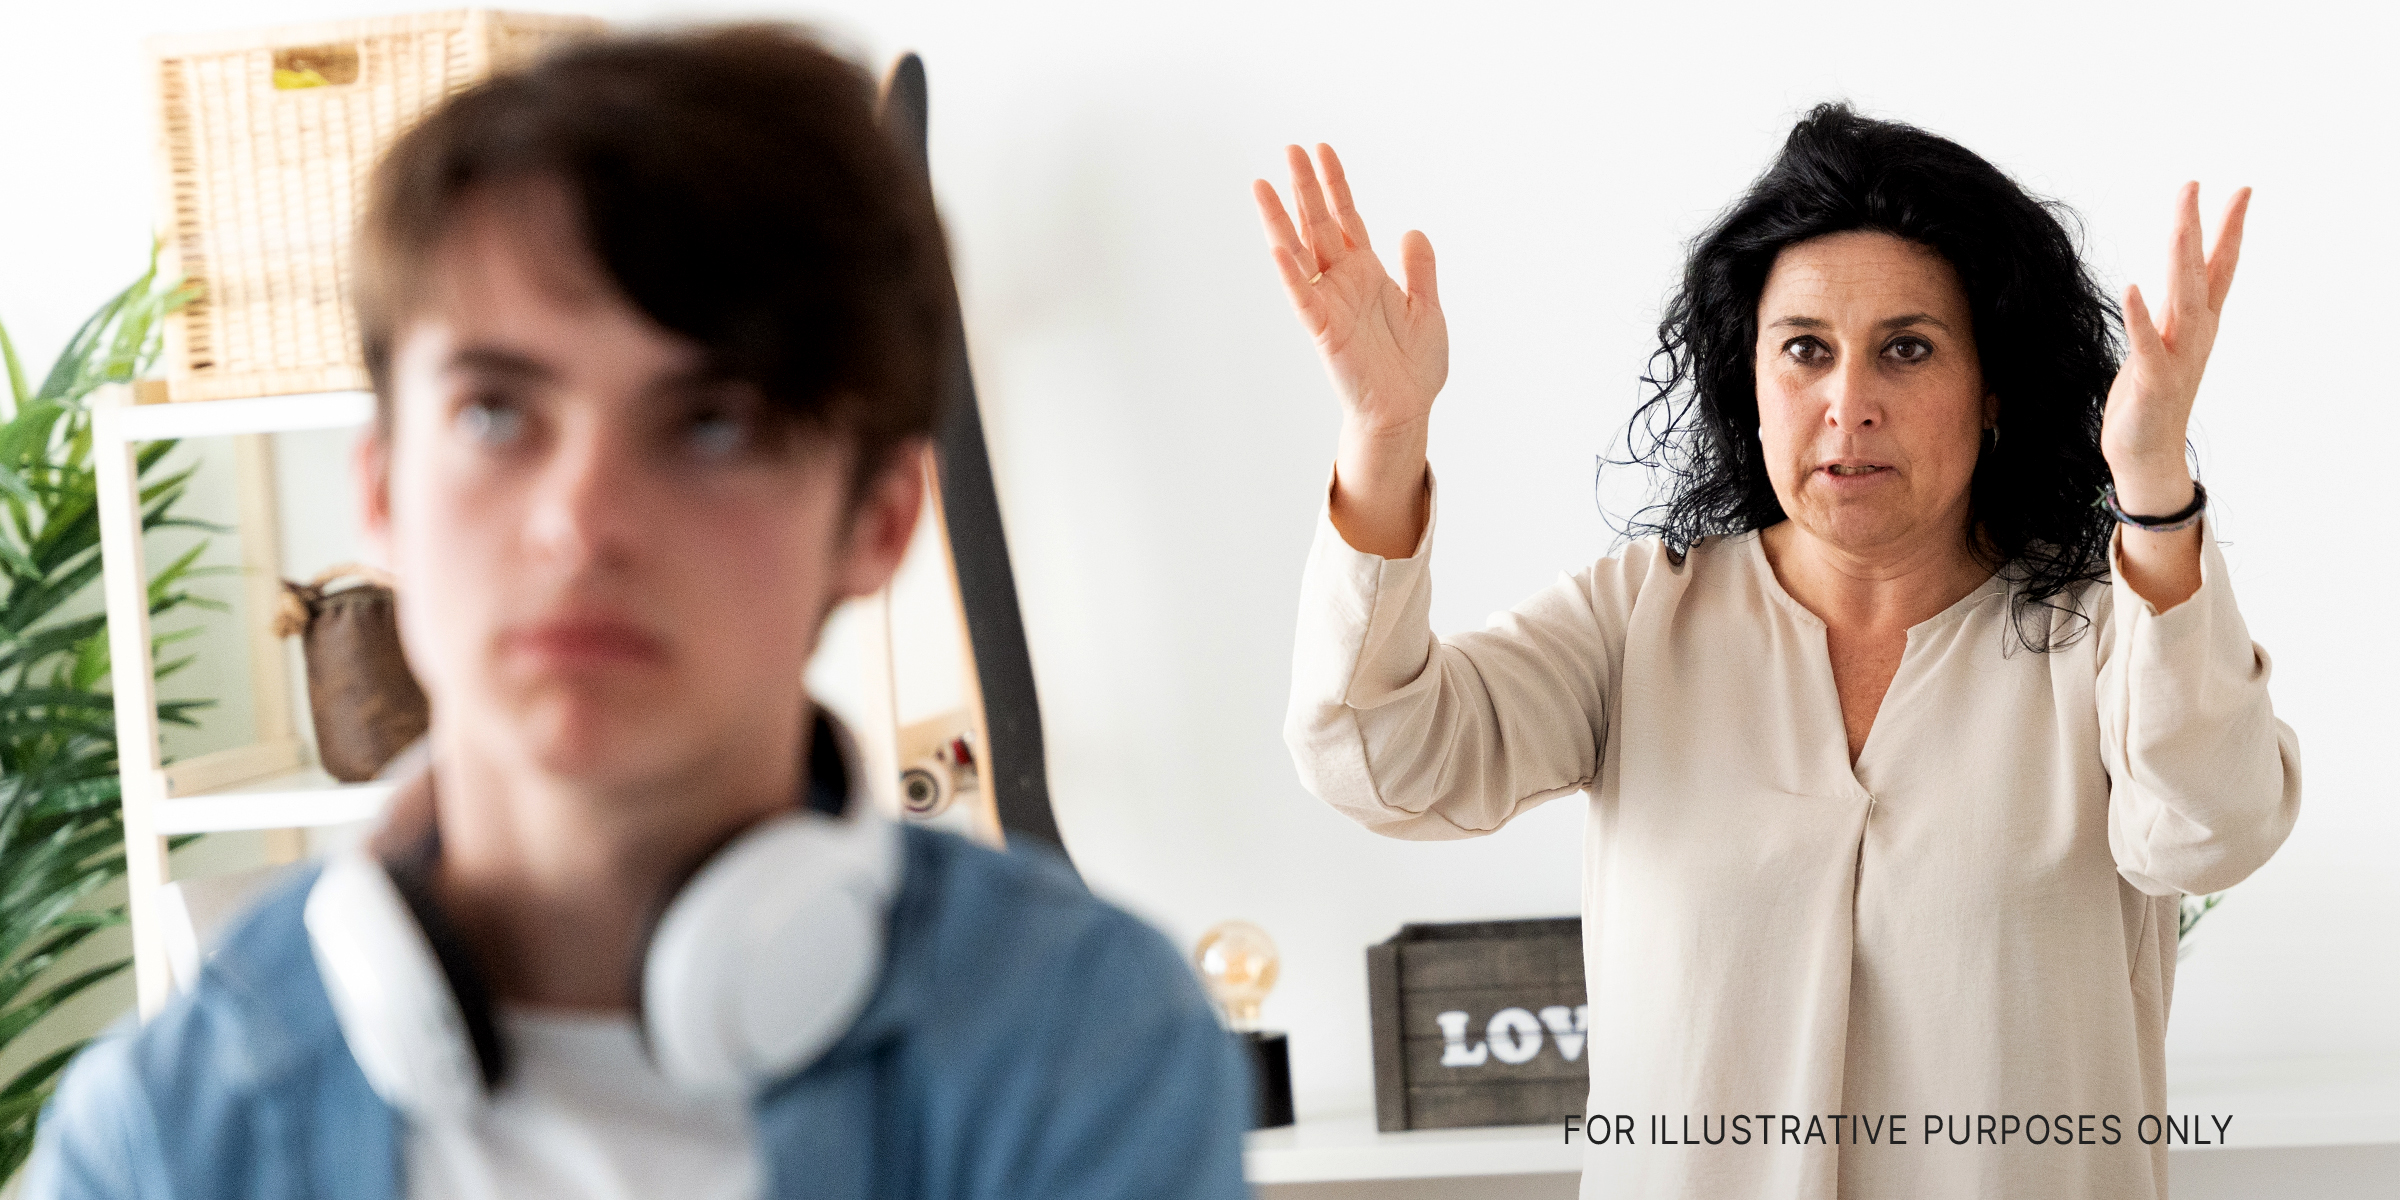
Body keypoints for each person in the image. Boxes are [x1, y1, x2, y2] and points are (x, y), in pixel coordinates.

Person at [28, 26, 1251, 1200]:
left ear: (878, 519)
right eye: (498, 413)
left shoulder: (1088, 1048)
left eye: (712, 425)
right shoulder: (162, 1138)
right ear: (384, 487)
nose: (582, 522)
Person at [1259, 104, 2298, 1199]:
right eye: (1805, 350)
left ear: (1990, 388)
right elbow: (1375, 755)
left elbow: (2209, 830)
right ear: (1750, 379)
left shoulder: (2103, 639)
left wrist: (2153, 486)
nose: (1849, 406)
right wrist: (1384, 437)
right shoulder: (1635, 621)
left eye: (1907, 349)